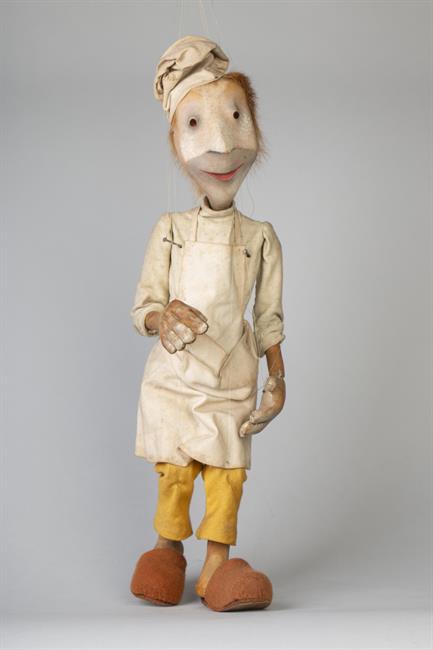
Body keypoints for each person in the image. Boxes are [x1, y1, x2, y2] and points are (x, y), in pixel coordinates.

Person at [129, 35, 286, 612]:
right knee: (175, 470)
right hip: (175, 377)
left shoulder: (260, 238)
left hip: (232, 376)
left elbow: (268, 317)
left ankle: (217, 565)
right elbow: (144, 305)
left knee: (227, 475)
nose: (221, 146)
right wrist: (162, 315)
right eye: (196, 124)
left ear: (254, 128)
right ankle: (167, 549)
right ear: (177, 140)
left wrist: (278, 378)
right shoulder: (170, 229)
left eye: (235, 118)